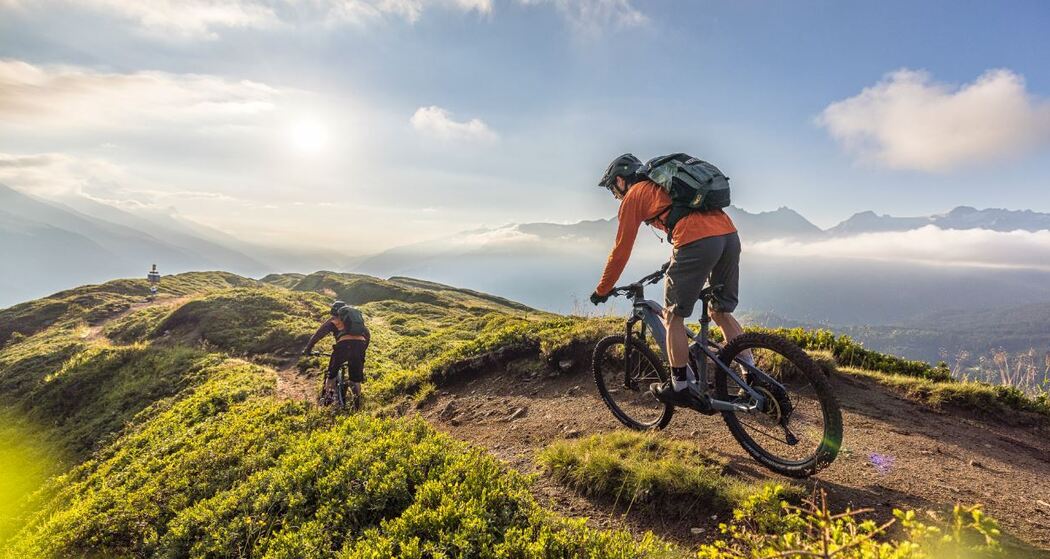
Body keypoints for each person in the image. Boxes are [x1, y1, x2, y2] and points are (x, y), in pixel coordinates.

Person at [589, 153, 748, 409]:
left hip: (696, 241)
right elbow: (687, 218)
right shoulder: (662, 186)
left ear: (620, 180)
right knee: (720, 312)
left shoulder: (634, 195)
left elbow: (621, 250)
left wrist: (602, 289)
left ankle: (680, 387)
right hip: (729, 236)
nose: (615, 195)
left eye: (612, 189)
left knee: (673, 317)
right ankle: (752, 380)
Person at [303, 300, 370, 410]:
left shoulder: (333, 320)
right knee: (355, 379)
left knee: (332, 374)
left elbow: (318, 335)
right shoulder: (355, 321)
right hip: (359, 346)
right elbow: (367, 334)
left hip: (343, 346)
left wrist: (308, 349)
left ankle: (328, 399)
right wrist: (362, 350)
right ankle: (357, 403)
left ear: (333, 312)